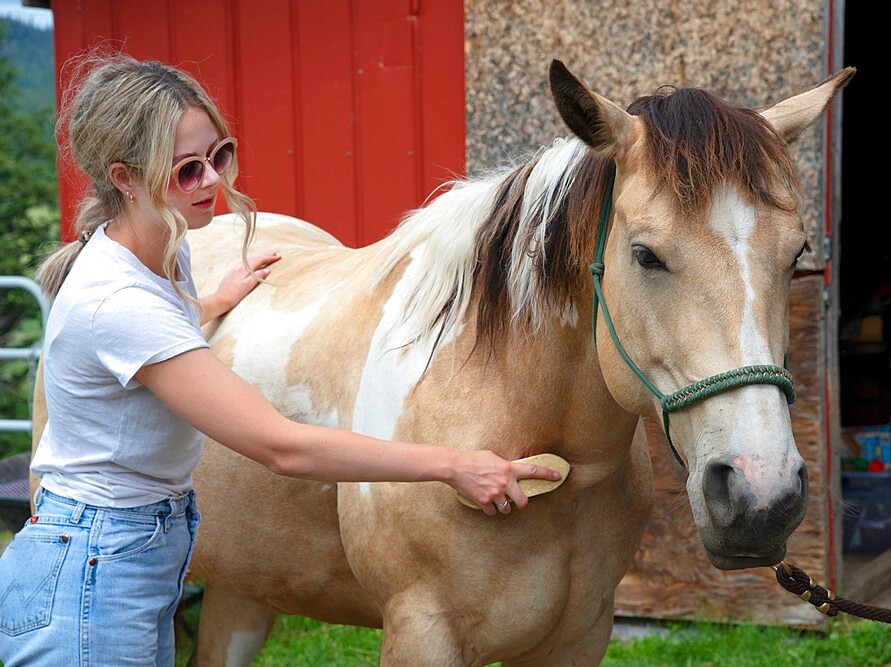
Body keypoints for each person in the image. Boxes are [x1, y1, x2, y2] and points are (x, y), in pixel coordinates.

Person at [0, 53, 560, 666]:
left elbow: (156, 334)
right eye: (187, 170)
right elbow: (281, 447)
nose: (212, 181)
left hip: (129, 551)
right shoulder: (119, 302)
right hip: (94, 569)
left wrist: (212, 299)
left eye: (220, 156)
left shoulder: (163, 254)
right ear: (125, 178)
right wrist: (455, 465)